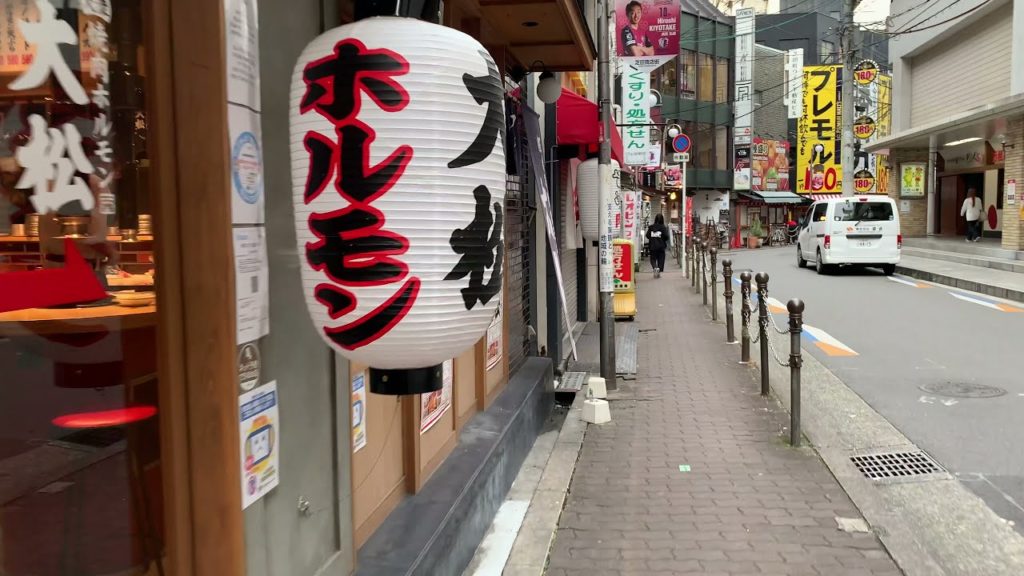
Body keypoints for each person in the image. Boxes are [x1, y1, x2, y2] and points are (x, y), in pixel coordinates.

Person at [646, 213, 670, 278]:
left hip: (652, 246)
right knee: (661, 259)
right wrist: (662, 239)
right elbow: (666, 236)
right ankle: (658, 270)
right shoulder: (663, 227)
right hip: (661, 246)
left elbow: (647, 235)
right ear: (662, 220)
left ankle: (655, 267)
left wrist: (652, 238)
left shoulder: (651, 227)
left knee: (653, 258)